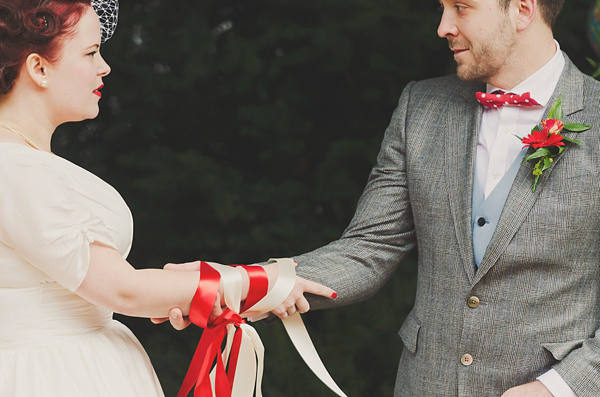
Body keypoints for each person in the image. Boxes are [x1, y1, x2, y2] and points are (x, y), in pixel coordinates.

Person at [164, 0, 600, 396]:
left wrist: (556, 389)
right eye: (442, 7)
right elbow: (369, 248)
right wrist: (243, 284)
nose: (443, 26)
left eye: (461, 8)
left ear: (522, 10)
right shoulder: (421, 107)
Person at [0, 1, 334, 396]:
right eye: (90, 53)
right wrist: (253, 280)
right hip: (51, 376)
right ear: (38, 68)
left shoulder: (32, 161)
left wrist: (191, 291)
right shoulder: (15, 168)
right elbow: (124, 290)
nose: (104, 67)